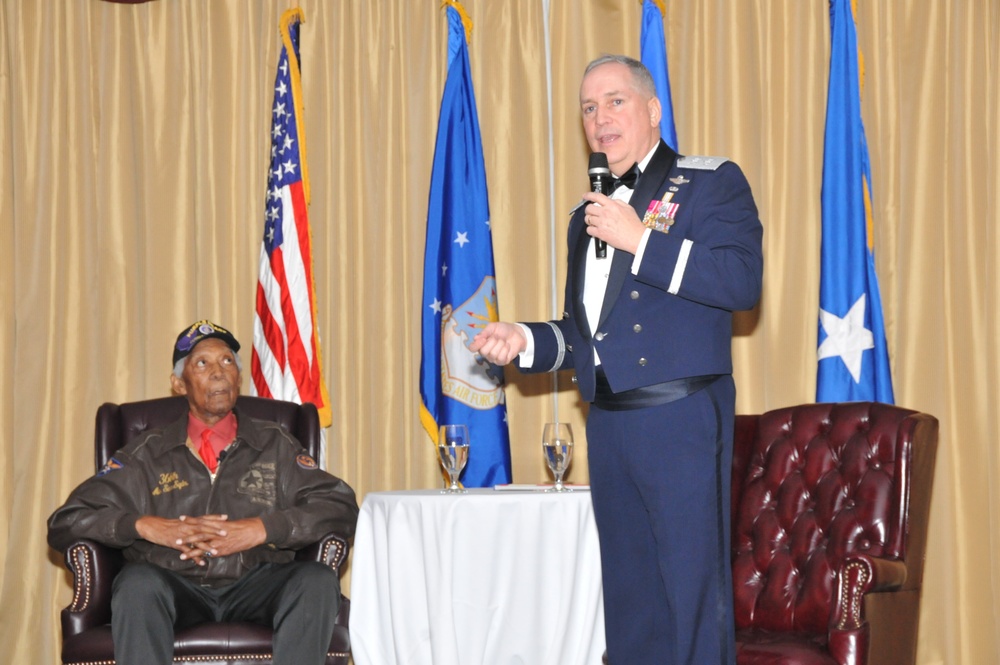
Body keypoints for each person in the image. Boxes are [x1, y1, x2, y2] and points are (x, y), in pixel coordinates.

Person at [470, 55, 763, 664]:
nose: (600, 119)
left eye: (615, 102)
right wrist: (521, 339)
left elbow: (741, 283)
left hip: (679, 417)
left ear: (653, 111)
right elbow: (586, 333)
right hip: (607, 421)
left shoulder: (710, 181)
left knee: (690, 600)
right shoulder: (587, 215)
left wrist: (641, 241)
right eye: (587, 107)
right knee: (630, 602)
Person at [47, 319, 359, 665]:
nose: (218, 372)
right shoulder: (145, 453)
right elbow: (67, 521)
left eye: (227, 362)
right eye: (202, 363)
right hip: (174, 585)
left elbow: (340, 505)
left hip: (257, 584)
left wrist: (263, 529)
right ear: (179, 384)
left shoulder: (276, 444)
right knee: (137, 584)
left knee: (315, 580)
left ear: (239, 378)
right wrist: (145, 526)